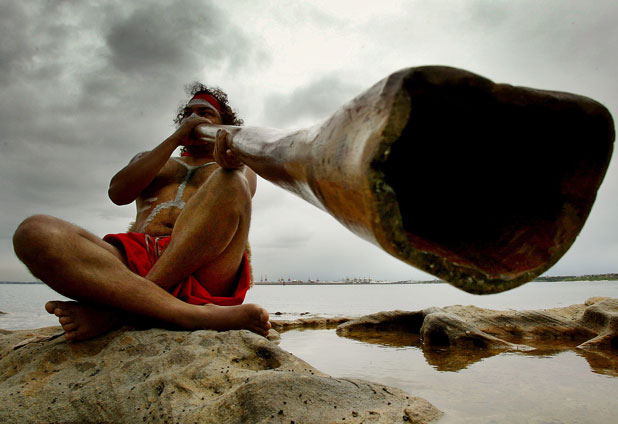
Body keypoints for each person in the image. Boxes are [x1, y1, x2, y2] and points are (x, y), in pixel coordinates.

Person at [12, 84, 271, 341]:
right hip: (135, 260)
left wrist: (231, 160)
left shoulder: (236, 163)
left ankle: (115, 314)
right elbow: (118, 193)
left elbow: (241, 192)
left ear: (222, 124)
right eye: (187, 114)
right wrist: (173, 140)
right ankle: (192, 315)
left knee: (231, 181)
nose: (194, 118)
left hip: (207, 265)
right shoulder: (152, 157)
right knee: (34, 233)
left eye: (205, 113)